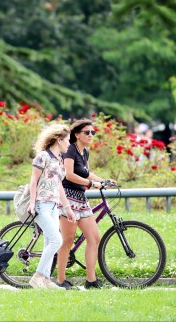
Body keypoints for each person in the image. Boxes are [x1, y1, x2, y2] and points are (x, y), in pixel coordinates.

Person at [56, 119, 115, 290]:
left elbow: (86, 173)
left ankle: (91, 281)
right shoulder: (70, 150)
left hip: (81, 198)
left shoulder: (84, 152)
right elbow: (68, 175)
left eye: (93, 132)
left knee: (94, 238)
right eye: (87, 132)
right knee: (67, 240)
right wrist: (91, 184)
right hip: (67, 198)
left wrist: (103, 180)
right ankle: (61, 281)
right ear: (76, 134)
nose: (91, 135)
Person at [27, 123, 77, 290]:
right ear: (59, 140)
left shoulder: (59, 160)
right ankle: (38, 276)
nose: (69, 144)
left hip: (54, 206)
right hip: (41, 204)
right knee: (57, 240)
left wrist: (67, 208)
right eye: (67, 141)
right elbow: (33, 181)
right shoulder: (43, 157)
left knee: (50, 241)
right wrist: (33, 203)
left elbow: (59, 186)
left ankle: (47, 280)